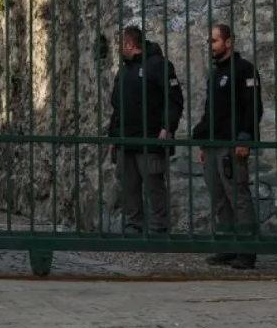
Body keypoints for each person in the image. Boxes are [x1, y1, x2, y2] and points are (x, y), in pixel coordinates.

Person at [193, 23, 263, 270]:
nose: (210, 45)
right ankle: (226, 246)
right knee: (219, 197)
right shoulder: (216, 74)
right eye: (209, 41)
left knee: (238, 195)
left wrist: (244, 138)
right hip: (214, 143)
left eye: (214, 41)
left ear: (228, 42)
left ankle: (246, 250)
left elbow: (253, 106)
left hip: (232, 144)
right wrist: (203, 142)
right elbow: (210, 111)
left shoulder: (244, 69)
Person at [107, 25, 184, 235]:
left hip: (150, 138)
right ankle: (134, 227)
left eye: (121, 44)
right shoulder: (124, 71)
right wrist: (113, 135)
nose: (119, 49)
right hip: (125, 139)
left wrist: (167, 127)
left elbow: (174, 99)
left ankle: (159, 228)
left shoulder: (159, 65)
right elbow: (117, 106)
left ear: (130, 44)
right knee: (129, 187)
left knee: (153, 185)